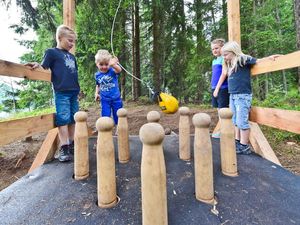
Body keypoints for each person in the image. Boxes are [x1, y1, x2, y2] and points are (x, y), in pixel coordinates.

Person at [213, 41, 280, 154]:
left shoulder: (242, 60)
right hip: (233, 95)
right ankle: (238, 141)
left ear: (234, 52)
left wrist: (269, 58)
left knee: (241, 121)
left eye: (226, 54)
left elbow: (257, 60)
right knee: (234, 120)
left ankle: (244, 145)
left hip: (242, 96)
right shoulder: (229, 64)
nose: (224, 57)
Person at [25, 25, 79, 162]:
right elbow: (44, 66)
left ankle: (72, 144)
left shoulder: (72, 57)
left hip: (73, 92)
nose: (72, 44)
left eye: (73, 41)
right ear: (60, 38)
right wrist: (38, 65)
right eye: (69, 40)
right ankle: (64, 146)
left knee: (73, 118)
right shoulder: (52, 52)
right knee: (63, 118)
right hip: (61, 92)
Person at [94, 49, 123, 125]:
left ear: (109, 64)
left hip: (116, 98)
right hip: (104, 99)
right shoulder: (97, 75)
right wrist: (96, 93)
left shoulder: (112, 70)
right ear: (96, 64)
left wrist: (113, 65)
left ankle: (119, 129)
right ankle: (106, 131)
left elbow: (119, 70)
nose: (104, 67)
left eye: (106, 64)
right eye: (101, 64)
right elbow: (98, 85)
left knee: (118, 115)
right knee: (105, 116)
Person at [210, 38, 229, 138]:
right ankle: (222, 130)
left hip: (222, 88)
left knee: (223, 110)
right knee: (218, 110)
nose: (214, 51)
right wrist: (214, 87)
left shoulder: (224, 58)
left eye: (216, 48)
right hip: (214, 87)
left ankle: (225, 131)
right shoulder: (214, 61)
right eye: (213, 49)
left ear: (222, 47)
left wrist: (217, 88)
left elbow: (223, 74)